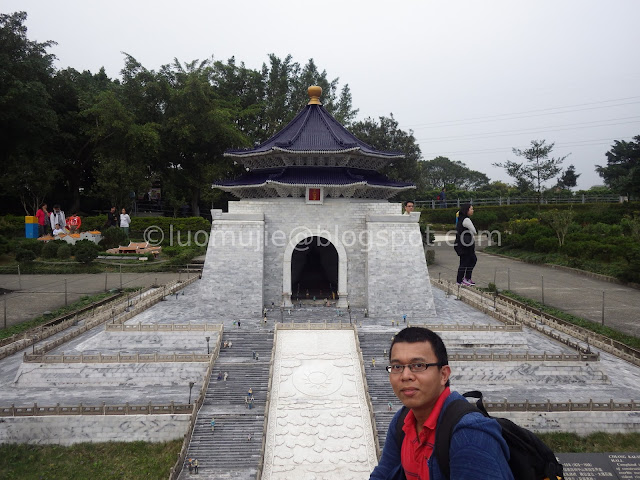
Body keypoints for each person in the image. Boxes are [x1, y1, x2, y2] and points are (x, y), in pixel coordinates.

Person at [370, 327, 512, 480]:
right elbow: (383, 473)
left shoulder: (469, 436)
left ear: (444, 374)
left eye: (418, 365)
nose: (405, 376)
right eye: (397, 367)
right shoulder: (402, 421)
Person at [454, 203, 477, 287]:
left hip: (462, 244)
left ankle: (465, 279)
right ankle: (461, 280)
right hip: (466, 245)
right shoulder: (466, 219)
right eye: (471, 209)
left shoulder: (460, 218)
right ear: (467, 210)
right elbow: (474, 231)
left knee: (469, 260)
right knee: (467, 261)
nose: (472, 210)